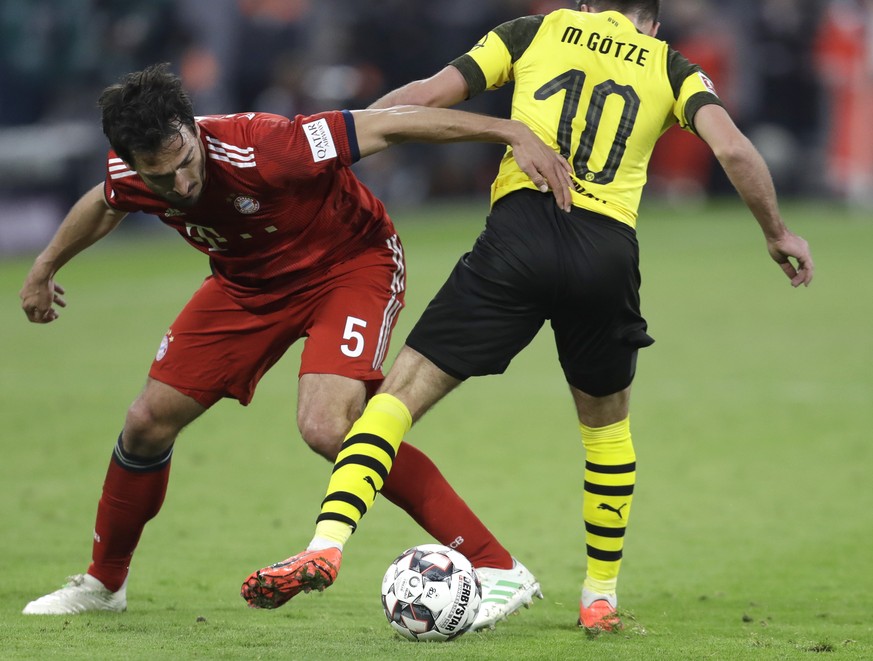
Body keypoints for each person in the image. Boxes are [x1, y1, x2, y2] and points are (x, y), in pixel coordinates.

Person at [245, 0, 815, 632]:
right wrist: (777, 232)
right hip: (605, 255)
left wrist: (350, 137)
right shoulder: (672, 67)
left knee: (394, 401)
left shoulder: (533, 31)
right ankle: (599, 598)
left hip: (517, 238)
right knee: (606, 432)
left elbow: (429, 96)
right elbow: (734, 150)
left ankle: (326, 544)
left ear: (587, 5)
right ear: (649, 21)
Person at [19, 63, 574, 626]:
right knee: (145, 423)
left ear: (192, 128)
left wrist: (508, 131)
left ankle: (495, 564)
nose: (181, 186)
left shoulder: (269, 146)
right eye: (161, 178)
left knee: (329, 427)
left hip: (350, 267)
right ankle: (103, 583)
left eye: (186, 164)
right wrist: (46, 266)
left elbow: (390, 124)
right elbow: (103, 201)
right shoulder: (134, 168)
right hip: (245, 285)